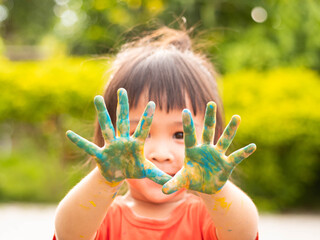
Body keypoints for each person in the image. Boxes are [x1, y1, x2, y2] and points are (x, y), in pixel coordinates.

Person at [54, 27, 259, 240]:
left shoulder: (213, 216)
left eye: (180, 135)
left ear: (212, 142)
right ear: (109, 139)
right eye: (141, 134)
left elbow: (243, 233)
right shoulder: (100, 215)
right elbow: (68, 234)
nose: (160, 154)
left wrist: (217, 190)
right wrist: (104, 180)